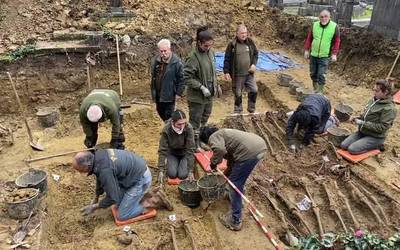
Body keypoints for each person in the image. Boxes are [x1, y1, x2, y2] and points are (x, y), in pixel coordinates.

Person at [72, 149, 173, 221]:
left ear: (86, 166)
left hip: (139, 179)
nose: (80, 173)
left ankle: (155, 201)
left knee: (122, 215)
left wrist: (95, 207)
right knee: (118, 205)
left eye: (79, 170)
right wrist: (96, 197)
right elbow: (99, 177)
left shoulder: (104, 170)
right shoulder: (98, 155)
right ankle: (147, 194)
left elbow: (112, 197)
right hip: (132, 174)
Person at [199, 126, 267, 231]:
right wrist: (225, 175)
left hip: (249, 153)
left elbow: (220, 150)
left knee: (234, 184)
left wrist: (213, 163)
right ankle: (236, 199)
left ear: (206, 140)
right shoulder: (225, 134)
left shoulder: (213, 137)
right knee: (236, 179)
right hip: (259, 145)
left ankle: (235, 220)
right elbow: (232, 160)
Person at [184, 27, 221, 148]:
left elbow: (213, 71)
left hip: (208, 96)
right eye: (206, 45)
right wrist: (200, 87)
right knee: (195, 122)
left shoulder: (210, 53)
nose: (208, 47)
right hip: (197, 98)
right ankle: (193, 145)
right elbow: (186, 77)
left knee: (204, 120)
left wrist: (217, 85)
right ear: (199, 43)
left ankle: (200, 140)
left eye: (210, 45)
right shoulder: (193, 58)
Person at [340, 79, 397, 154]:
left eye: (377, 91)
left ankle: (378, 145)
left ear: (385, 92)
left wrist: (362, 123)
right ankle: (363, 142)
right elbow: (366, 116)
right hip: (362, 132)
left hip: (375, 137)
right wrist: (357, 118)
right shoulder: (373, 100)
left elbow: (382, 128)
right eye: (374, 90)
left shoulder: (389, 109)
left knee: (352, 149)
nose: (374, 92)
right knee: (343, 145)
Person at [223, 24, 259, 114]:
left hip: (249, 74)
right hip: (238, 75)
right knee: (238, 93)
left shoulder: (250, 42)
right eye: (242, 33)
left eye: (245, 33)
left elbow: (255, 53)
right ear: (237, 33)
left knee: (254, 90)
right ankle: (238, 111)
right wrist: (226, 72)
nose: (244, 35)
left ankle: (251, 109)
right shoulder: (232, 45)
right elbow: (227, 58)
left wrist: (254, 64)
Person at [304, 9, 340, 93]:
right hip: (313, 55)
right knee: (313, 74)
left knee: (321, 75)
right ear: (319, 17)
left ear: (329, 17)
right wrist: (306, 50)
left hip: (325, 56)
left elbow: (337, 41)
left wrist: (334, 53)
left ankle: (319, 92)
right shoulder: (315, 25)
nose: (324, 18)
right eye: (321, 17)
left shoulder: (334, 26)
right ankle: (315, 89)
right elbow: (309, 38)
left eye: (326, 16)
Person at [157, 110, 196, 183]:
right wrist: (161, 170)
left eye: (184, 123)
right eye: (179, 124)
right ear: (172, 122)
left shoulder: (188, 128)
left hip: (185, 154)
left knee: (182, 175)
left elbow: (190, 149)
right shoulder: (166, 129)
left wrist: (191, 170)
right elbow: (162, 150)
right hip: (172, 153)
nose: (182, 126)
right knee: (172, 174)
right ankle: (174, 163)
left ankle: (184, 164)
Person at [150, 39, 185, 122]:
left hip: (170, 95)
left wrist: (179, 93)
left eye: (165, 51)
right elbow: (154, 77)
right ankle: (168, 127)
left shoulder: (177, 63)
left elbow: (182, 79)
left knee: (169, 115)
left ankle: (170, 130)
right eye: (161, 51)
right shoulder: (156, 61)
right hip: (159, 95)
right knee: (160, 112)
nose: (163, 53)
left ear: (169, 49)